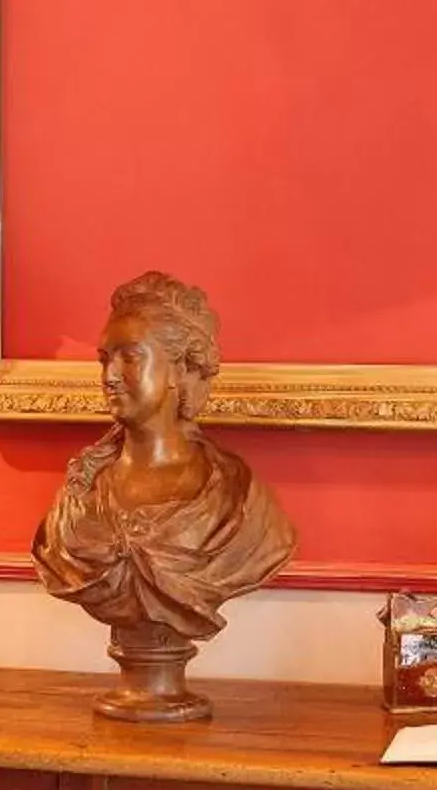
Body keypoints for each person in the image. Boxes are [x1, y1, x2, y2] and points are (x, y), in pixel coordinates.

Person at [33, 272, 294, 717]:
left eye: (130, 357)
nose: (109, 376)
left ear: (180, 368)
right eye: (104, 359)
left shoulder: (236, 502)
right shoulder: (80, 494)